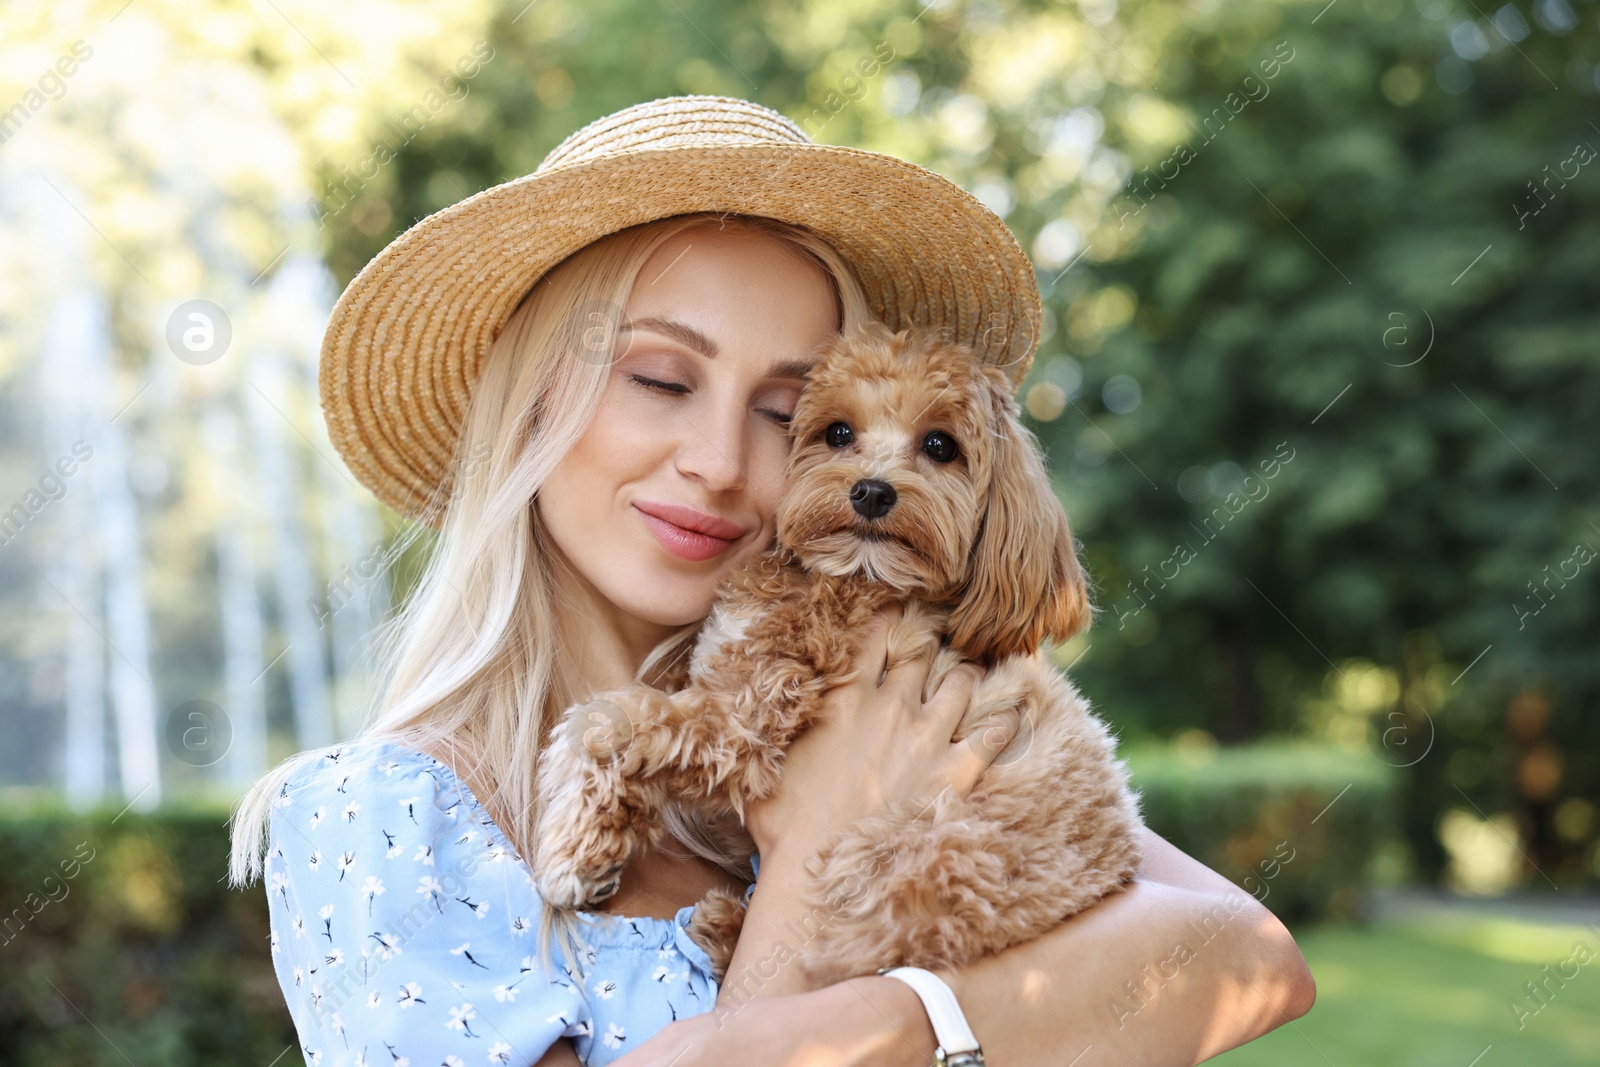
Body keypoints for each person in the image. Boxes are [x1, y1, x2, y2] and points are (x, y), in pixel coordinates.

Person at [229, 95, 1314, 1067]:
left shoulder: (895, 704)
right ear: (530, 404)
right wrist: (805, 871)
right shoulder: (381, 821)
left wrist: (904, 1022)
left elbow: (1249, 955)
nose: (718, 460)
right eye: (660, 377)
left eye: (787, 415)